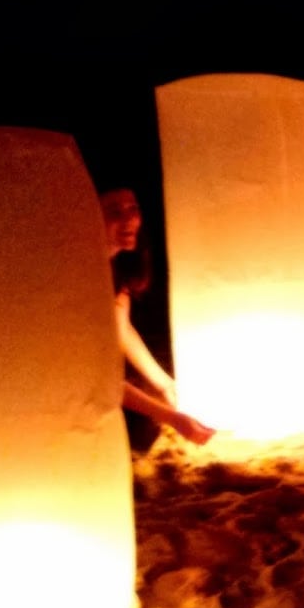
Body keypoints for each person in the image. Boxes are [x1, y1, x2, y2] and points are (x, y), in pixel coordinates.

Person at [100, 187, 215, 447]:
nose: (129, 220)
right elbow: (98, 378)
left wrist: (164, 385)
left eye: (133, 209)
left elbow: (122, 328)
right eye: (114, 211)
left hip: (107, 379)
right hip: (77, 389)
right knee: (143, 429)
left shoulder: (117, 266)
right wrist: (172, 418)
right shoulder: (80, 276)